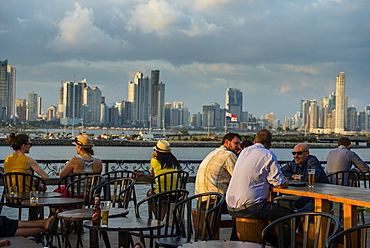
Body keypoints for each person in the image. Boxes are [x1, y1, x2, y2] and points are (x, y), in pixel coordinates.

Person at [226, 129, 294, 221]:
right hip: (249, 207)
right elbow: (279, 182)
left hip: (231, 206)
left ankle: (267, 234)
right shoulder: (268, 154)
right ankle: (280, 235)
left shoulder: (244, 152)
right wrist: (286, 181)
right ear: (270, 144)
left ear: (255, 142)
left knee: (272, 211)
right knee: (290, 216)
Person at [195, 132, 241, 212]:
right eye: (236, 143)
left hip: (201, 201)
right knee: (246, 208)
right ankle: (237, 225)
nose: (239, 147)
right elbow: (239, 179)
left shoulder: (214, 153)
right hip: (216, 201)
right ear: (227, 142)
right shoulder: (229, 155)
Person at [280, 143, 329, 211]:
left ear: (307, 153)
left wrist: (300, 177)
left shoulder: (312, 162)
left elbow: (314, 178)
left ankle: (296, 218)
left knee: (295, 207)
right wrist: (292, 176)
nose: (296, 156)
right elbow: (281, 171)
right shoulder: (294, 163)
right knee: (283, 203)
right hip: (304, 194)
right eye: (294, 153)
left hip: (319, 197)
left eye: (299, 153)